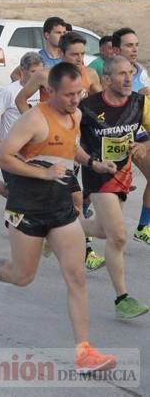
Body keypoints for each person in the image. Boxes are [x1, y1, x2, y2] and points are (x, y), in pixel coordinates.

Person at [0, 62, 118, 373]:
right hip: (27, 207)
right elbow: (2, 157)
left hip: (60, 206)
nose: (77, 100)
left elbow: (71, 148)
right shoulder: (33, 119)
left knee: (76, 277)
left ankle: (84, 352)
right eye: (70, 94)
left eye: (80, 93)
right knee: (22, 276)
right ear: (51, 92)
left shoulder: (74, 115)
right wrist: (42, 172)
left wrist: (93, 163)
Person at [16, 32, 105, 269]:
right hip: (46, 146)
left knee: (75, 197)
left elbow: (102, 101)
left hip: (75, 141)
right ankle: (85, 250)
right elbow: (21, 99)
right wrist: (36, 126)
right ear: (61, 54)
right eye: (74, 54)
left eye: (83, 54)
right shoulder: (45, 75)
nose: (79, 59)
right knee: (72, 196)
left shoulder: (89, 75)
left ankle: (53, 234)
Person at [77, 55, 150, 318]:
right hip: (97, 175)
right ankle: (122, 299)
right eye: (121, 74)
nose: (128, 78)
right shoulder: (86, 107)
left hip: (123, 174)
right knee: (118, 235)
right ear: (106, 79)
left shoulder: (140, 103)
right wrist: (87, 160)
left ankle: (56, 229)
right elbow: (65, 137)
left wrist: (143, 145)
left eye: (131, 72)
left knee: (101, 229)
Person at [0, 52, 44, 200]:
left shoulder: (43, 91)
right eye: (33, 72)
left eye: (40, 72)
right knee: (13, 194)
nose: (37, 76)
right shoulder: (9, 91)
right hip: (11, 150)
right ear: (22, 70)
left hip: (33, 150)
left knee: (32, 192)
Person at [109, 28, 150, 244]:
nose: (134, 49)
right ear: (116, 49)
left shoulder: (140, 71)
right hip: (110, 136)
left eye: (136, 45)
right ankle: (73, 227)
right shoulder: (107, 71)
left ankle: (144, 226)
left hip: (137, 135)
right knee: (94, 193)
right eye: (129, 45)